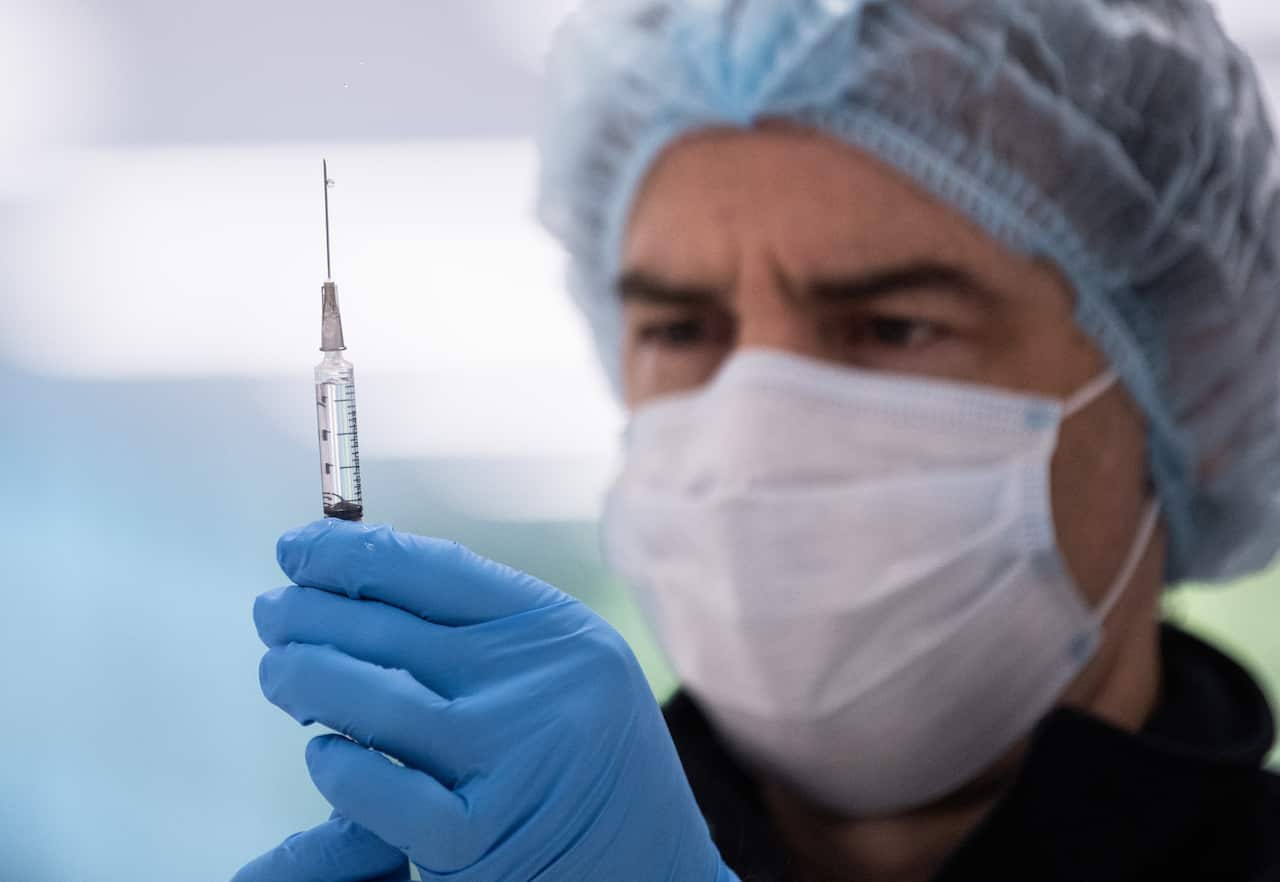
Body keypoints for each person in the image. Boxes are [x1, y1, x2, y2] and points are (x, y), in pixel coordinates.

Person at [231, 1, 1280, 880]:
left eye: (891, 325)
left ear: (1190, 375)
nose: (756, 431)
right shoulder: (520, 853)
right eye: (682, 331)